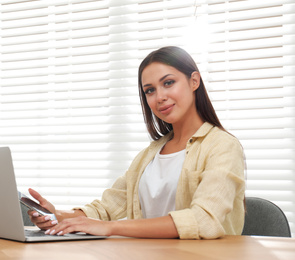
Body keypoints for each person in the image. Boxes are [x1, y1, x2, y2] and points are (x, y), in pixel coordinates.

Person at [27, 46, 246, 239]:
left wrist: (111, 228)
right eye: (150, 90)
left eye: (168, 83)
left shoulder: (223, 146)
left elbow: (203, 220)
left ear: (194, 81)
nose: (159, 97)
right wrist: (56, 215)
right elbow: (105, 209)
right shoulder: (149, 155)